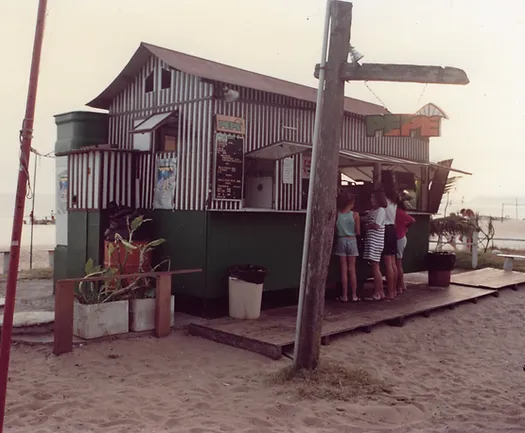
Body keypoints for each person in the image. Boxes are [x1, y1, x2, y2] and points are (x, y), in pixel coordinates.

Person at [334, 193, 361, 302]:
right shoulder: (355, 215)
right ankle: (354, 295)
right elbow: (358, 232)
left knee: (343, 270)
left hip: (341, 240)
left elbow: (335, 230)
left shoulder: (337, 214)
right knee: (352, 269)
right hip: (352, 240)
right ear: (351, 202)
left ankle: (344, 296)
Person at [363, 189, 387, 301]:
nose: (371, 200)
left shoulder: (381, 211)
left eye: (373, 198)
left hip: (376, 242)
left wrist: (368, 225)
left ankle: (377, 292)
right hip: (371, 241)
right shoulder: (373, 210)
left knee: (375, 267)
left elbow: (376, 225)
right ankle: (380, 292)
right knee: (375, 266)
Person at [395, 199, 416, 294]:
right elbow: (412, 220)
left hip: (398, 238)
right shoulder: (401, 212)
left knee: (397, 263)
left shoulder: (398, 212)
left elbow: (412, 220)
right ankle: (401, 284)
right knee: (398, 263)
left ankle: (400, 285)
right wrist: (406, 227)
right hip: (401, 237)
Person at [382, 188, 398, 300]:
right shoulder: (394, 202)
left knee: (388, 264)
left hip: (386, 229)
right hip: (393, 229)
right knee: (393, 263)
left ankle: (390, 292)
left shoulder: (384, 201)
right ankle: (394, 290)